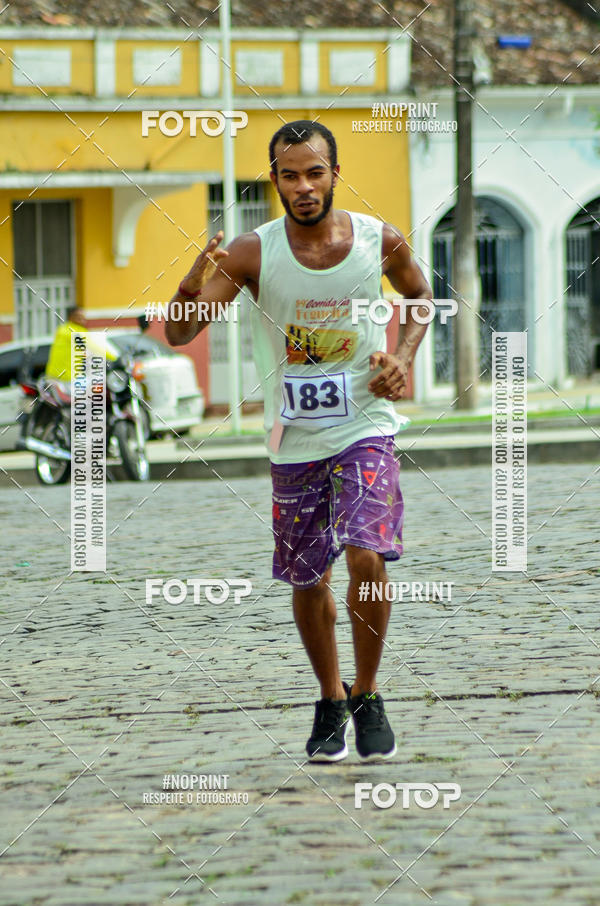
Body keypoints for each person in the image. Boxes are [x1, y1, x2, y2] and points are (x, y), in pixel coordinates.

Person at [166, 121, 433, 762]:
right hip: (294, 437)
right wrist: (186, 289)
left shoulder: (379, 240)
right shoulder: (251, 253)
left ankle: (367, 693)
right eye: (290, 176)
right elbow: (179, 334)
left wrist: (402, 356)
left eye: (315, 173)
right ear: (275, 181)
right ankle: (330, 698)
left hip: (366, 424)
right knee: (309, 575)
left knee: (367, 553)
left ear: (335, 174)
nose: (304, 186)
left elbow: (422, 297)